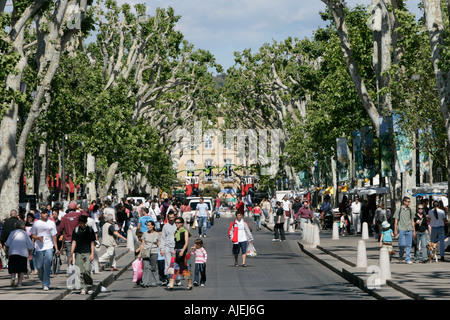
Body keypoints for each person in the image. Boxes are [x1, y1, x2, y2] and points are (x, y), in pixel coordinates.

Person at [30, 209, 60, 290]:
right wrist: (38, 238)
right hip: (39, 247)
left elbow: (54, 236)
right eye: (44, 213)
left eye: (47, 213)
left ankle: (46, 284)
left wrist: (56, 248)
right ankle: (43, 280)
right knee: (39, 267)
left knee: (47, 265)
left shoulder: (51, 223)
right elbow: (32, 235)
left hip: (49, 246)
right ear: (40, 214)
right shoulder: (36, 223)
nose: (45, 214)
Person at [69, 215, 96, 294]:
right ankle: (82, 287)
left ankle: (89, 285)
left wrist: (92, 253)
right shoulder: (76, 230)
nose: (81, 224)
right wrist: (71, 255)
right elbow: (74, 242)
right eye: (80, 223)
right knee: (80, 271)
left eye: (83, 223)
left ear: (85, 223)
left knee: (87, 270)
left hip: (87, 252)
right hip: (78, 253)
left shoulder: (90, 230)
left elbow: (92, 242)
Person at [165, 217, 192, 291]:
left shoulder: (185, 231)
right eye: (176, 222)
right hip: (176, 250)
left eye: (178, 222)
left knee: (186, 268)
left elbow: (186, 242)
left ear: (182, 223)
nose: (176, 224)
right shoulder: (176, 231)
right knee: (173, 268)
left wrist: (182, 251)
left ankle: (189, 284)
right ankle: (171, 285)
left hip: (183, 251)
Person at [4, 220, 34, 286]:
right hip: (22, 253)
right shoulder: (25, 233)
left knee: (13, 268)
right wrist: (30, 253)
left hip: (13, 253)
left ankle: (13, 278)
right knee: (21, 269)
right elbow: (30, 245)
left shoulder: (12, 233)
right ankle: (19, 283)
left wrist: (7, 253)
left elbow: (7, 244)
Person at [138, 220, 161, 287]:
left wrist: (161, 250)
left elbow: (159, 244)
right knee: (146, 267)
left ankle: (154, 282)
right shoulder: (145, 234)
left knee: (153, 268)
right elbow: (142, 244)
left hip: (154, 252)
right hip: (145, 252)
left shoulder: (157, 234)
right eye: (147, 225)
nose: (148, 227)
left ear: (153, 226)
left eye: (149, 225)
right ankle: (145, 282)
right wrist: (140, 253)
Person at [394, 196, 416, 264]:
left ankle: (408, 258)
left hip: (409, 229)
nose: (409, 203)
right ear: (404, 202)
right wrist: (395, 229)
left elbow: (412, 220)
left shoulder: (410, 210)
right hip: (402, 229)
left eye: (409, 201)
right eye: (408, 201)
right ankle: (401, 256)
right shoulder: (399, 209)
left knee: (409, 245)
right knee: (401, 245)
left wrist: (414, 230)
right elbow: (396, 220)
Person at [160, 210, 177, 285]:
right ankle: (169, 279)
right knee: (168, 264)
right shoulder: (165, 226)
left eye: (172, 217)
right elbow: (163, 238)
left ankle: (176, 278)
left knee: (176, 264)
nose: (171, 219)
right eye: (170, 217)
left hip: (175, 247)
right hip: (167, 247)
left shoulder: (177, 225)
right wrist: (162, 249)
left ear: (175, 217)